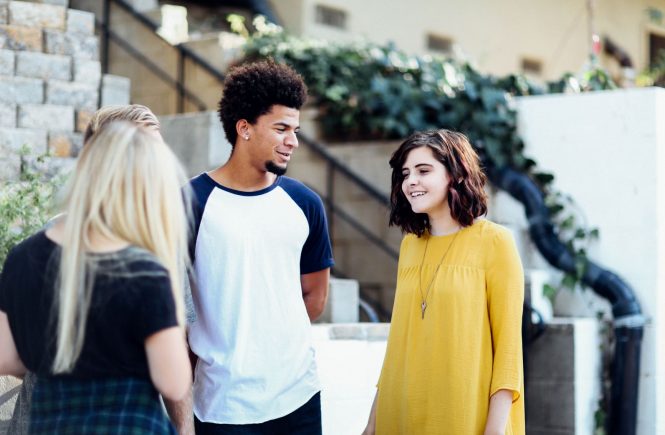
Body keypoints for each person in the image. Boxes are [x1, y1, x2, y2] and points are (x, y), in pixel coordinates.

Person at [0, 122, 192, 434]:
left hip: (52, 424)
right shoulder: (145, 271)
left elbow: (6, 358)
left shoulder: (22, 257)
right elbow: (173, 382)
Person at [183, 60, 334, 434]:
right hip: (222, 403)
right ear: (244, 128)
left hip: (297, 394)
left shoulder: (305, 203)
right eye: (281, 128)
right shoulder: (190, 202)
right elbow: (172, 304)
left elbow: (315, 297)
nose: (293, 141)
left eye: (295, 130)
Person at [363, 130, 525, 435]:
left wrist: (495, 430)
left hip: (464, 416)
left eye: (424, 171)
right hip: (400, 415)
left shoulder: (495, 242)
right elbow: (398, 343)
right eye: (405, 174)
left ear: (457, 175)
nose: (411, 181)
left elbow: (508, 351)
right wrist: (371, 425)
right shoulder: (410, 245)